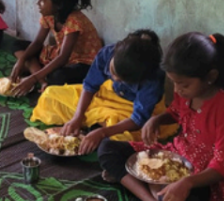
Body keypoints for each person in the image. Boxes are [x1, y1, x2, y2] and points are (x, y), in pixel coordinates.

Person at [97, 32, 224, 201]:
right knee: (107, 149)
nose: (178, 89)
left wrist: (188, 183)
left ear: (211, 77)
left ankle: (144, 186)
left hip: (205, 176)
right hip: (177, 156)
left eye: (184, 85)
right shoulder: (185, 93)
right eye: (174, 83)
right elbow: (176, 112)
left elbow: (223, 164)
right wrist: (156, 120)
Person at [32, 29, 174, 144]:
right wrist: (77, 116)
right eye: (112, 72)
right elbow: (90, 86)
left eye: (122, 79)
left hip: (131, 109)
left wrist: (103, 132)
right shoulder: (108, 52)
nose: (115, 79)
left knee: (123, 136)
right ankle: (95, 123)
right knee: (50, 95)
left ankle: (98, 125)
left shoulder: (152, 79)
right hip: (107, 94)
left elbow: (138, 119)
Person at [9, 0, 102, 97]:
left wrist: (33, 78)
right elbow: (38, 42)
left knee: (58, 76)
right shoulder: (49, 16)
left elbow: (63, 57)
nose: (38, 3)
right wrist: (22, 60)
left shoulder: (74, 21)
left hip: (83, 63)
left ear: (59, 4)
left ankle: (36, 72)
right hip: (60, 55)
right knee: (18, 46)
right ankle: (43, 81)